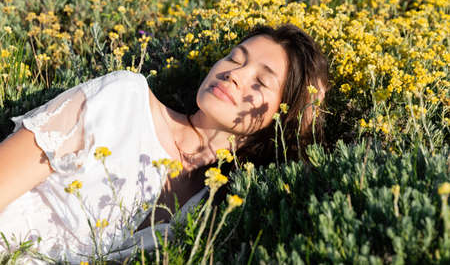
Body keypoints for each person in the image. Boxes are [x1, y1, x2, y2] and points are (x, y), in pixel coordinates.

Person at [0, 24, 328, 263]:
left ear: (283, 115)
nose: (235, 74)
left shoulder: (215, 208)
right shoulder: (123, 100)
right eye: (234, 58)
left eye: (261, 81)